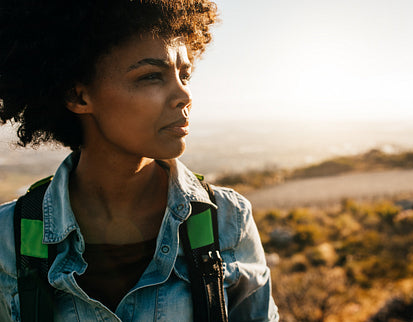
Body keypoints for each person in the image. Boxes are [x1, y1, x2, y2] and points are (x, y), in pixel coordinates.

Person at [0, 1, 279, 321]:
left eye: (184, 74)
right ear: (79, 97)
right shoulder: (8, 238)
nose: (184, 95)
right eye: (150, 77)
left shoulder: (227, 221)